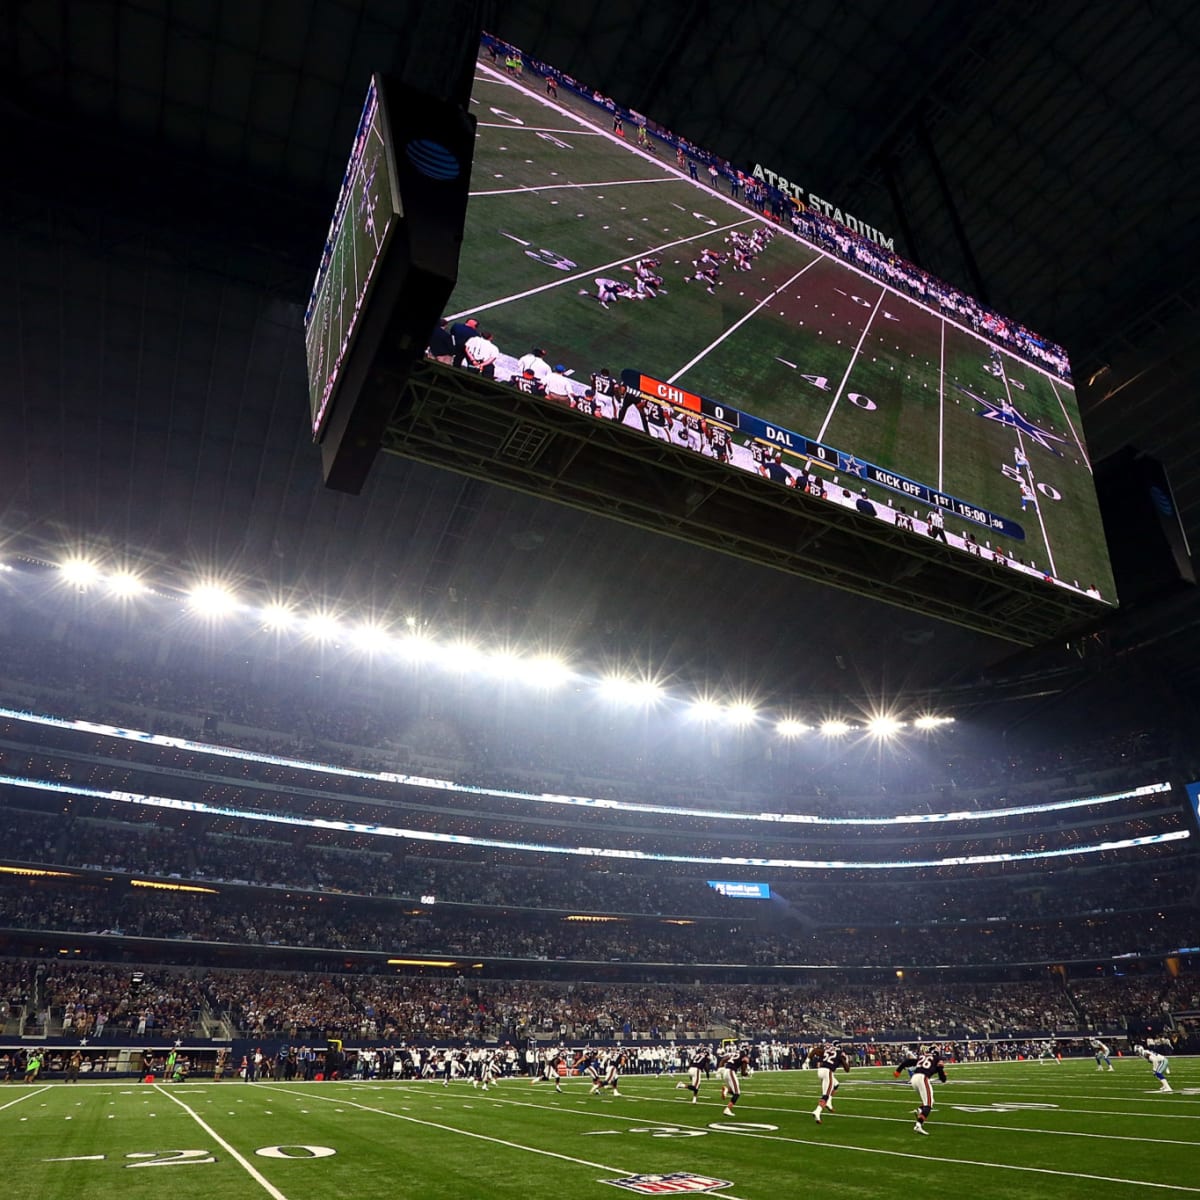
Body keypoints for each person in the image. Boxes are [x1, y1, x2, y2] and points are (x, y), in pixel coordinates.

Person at [894, 1046, 947, 1135]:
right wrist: (944, 1077)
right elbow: (941, 1074)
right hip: (923, 1078)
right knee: (929, 1104)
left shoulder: (922, 1057)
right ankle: (918, 1125)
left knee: (930, 1101)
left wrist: (898, 1071)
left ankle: (919, 1110)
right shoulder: (937, 1059)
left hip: (914, 1079)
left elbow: (907, 1062)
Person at [811, 1042, 851, 1123]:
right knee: (825, 1095)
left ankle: (829, 1102)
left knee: (836, 1084)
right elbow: (847, 1069)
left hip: (820, 1070)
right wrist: (845, 1060)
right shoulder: (839, 1053)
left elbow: (820, 1058)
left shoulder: (827, 1050)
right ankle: (817, 1111)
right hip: (827, 1072)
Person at [717, 1045, 747, 1117]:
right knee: (737, 1093)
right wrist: (747, 1073)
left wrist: (719, 1071)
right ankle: (727, 1109)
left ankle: (727, 1090)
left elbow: (723, 1060)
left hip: (725, 1071)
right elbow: (743, 1073)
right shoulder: (744, 1058)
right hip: (731, 1072)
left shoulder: (733, 1054)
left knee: (734, 1092)